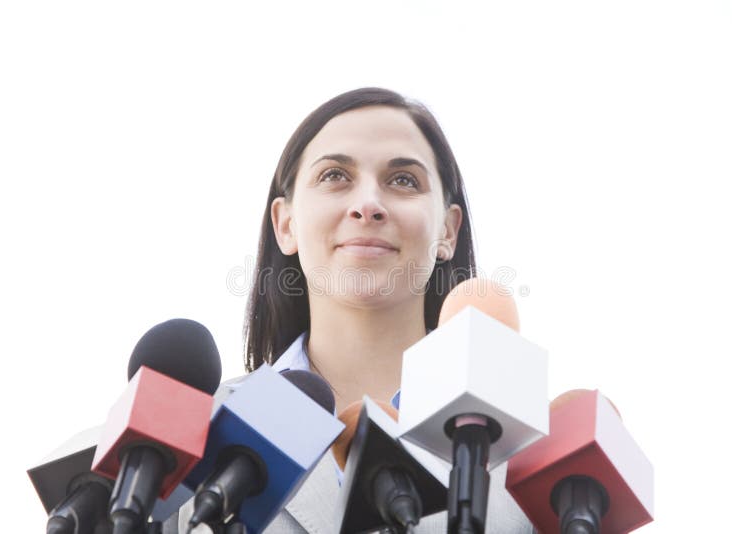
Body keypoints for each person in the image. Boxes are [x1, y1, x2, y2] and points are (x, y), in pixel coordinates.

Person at [169, 88, 533, 533]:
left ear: (448, 231)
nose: (367, 205)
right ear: (285, 225)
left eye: (403, 180)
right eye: (334, 175)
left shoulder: (527, 459)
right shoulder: (195, 436)